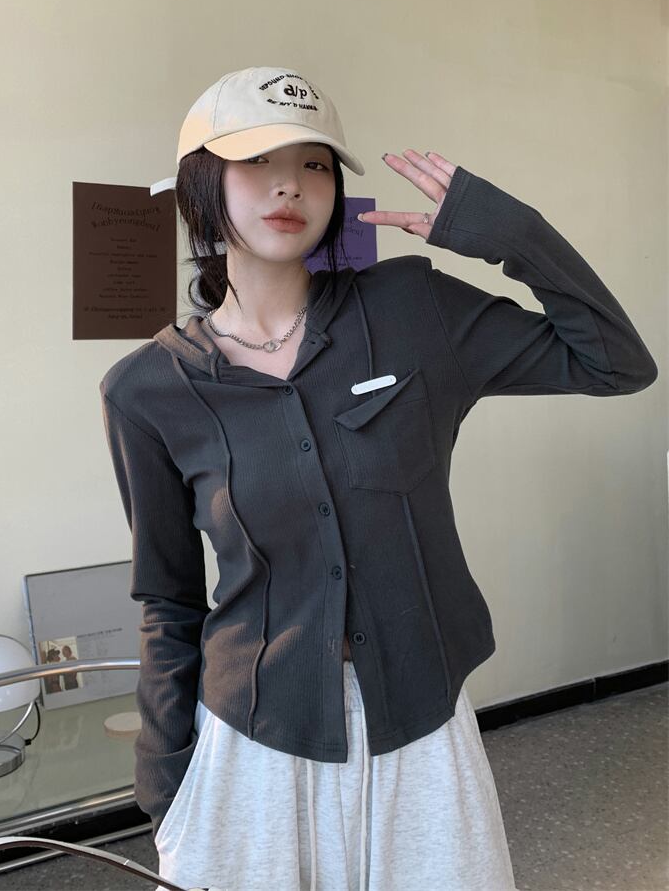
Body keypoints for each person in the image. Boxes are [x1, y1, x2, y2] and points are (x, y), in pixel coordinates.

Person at [99, 65, 657, 891]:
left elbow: (616, 363)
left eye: (314, 164)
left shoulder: (410, 311)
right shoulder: (147, 389)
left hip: (421, 728)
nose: (290, 184)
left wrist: (510, 233)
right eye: (257, 161)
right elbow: (169, 600)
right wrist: (166, 788)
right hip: (253, 743)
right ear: (202, 187)